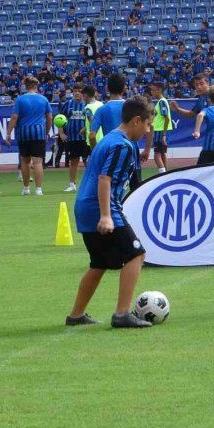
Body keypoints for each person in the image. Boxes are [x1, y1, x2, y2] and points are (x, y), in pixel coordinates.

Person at [66, 97, 154, 329]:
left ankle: (76, 315)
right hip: (99, 207)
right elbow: (105, 179)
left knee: (99, 262)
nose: (147, 131)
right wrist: (106, 215)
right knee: (136, 255)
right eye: (147, 124)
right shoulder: (121, 145)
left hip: (85, 207)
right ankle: (122, 313)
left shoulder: (111, 140)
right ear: (136, 121)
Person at [90, 73, 152, 189]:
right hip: (132, 153)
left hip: (112, 155)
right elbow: (150, 127)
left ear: (107, 89)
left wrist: (97, 152)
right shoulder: (133, 107)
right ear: (124, 89)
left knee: (112, 192)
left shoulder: (102, 110)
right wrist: (147, 149)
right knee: (137, 192)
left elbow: (92, 136)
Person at [170, 74, 214, 162]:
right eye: (196, 85)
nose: (199, 87)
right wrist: (177, 109)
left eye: (201, 83)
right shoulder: (201, 99)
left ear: (207, 83)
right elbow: (192, 114)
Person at [6, 76, 52, 196]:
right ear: (36, 86)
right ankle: (38, 189)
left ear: (25, 87)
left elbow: (15, 117)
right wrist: (46, 131)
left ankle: (26, 188)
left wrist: (8, 133)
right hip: (38, 132)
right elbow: (49, 117)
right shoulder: (43, 99)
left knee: (25, 162)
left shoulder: (20, 100)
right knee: (38, 162)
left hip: (23, 133)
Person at [59, 87, 87, 192]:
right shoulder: (68, 104)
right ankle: (72, 184)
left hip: (85, 138)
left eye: (79, 91)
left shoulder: (87, 104)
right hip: (72, 138)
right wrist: (61, 133)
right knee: (73, 161)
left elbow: (92, 120)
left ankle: (89, 185)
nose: (76, 93)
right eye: (75, 91)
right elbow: (60, 118)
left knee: (87, 161)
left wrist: (85, 128)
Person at [149, 81, 172, 173]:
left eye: (153, 90)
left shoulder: (162, 102)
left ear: (159, 90)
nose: (152, 92)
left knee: (156, 155)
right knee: (162, 153)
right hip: (160, 131)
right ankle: (166, 173)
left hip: (160, 131)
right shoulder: (160, 102)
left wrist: (163, 135)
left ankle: (162, 174)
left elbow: (166, 118)